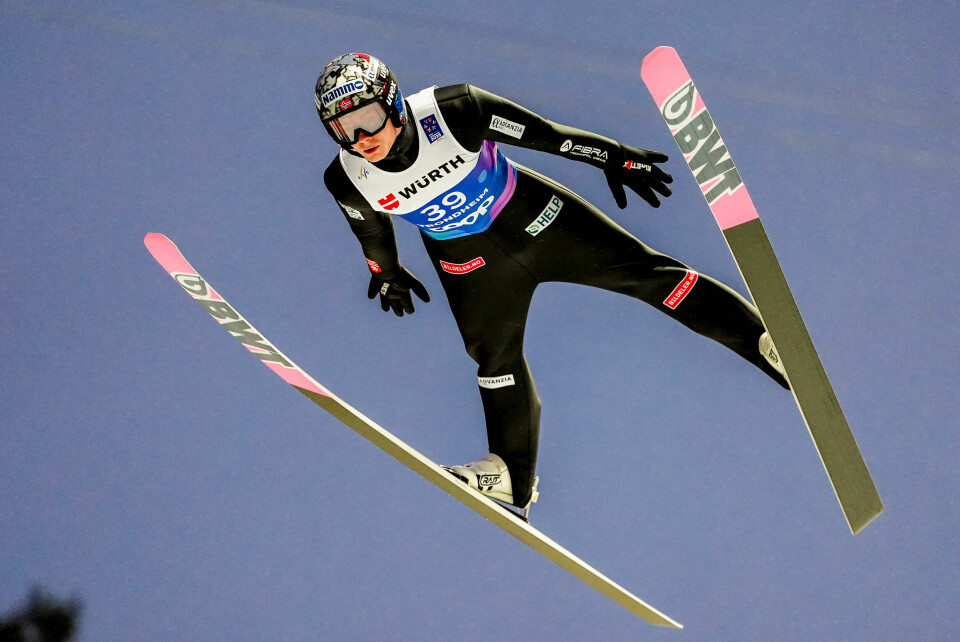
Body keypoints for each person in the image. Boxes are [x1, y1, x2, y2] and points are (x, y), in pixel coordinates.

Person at [316, 53, 787, 513]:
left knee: (649, 276)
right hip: (469, 262)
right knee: (493, 358)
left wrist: (613, 157)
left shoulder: (454, 109)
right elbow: (371, 231)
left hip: (539, 222)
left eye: (369, 118)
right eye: (343, 129)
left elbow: (549, 138)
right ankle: (508, 477)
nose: (360, 138)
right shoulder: (346, 178)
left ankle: (762, 342)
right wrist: (387, 273)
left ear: (394, 103)